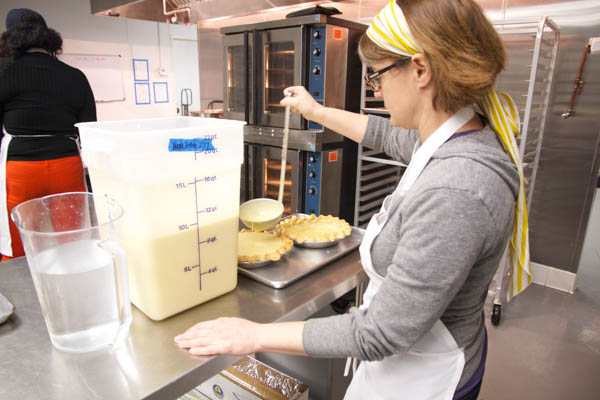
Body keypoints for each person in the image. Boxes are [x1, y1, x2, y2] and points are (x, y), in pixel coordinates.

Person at [175, 1, 530, 399]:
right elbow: (385, 135)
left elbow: (381, 332)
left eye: (377, 76)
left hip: (426, 376)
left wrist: (255, 335)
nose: (376, 90)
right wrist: (314, 111)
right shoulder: (450, 137)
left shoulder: (457, 188)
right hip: (407, 361)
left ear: (420, 70)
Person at [0, 8, 96, 261]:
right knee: (72, 239)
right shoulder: (75, 75)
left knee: (18, 240)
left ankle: (18, 282)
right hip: (66, 164)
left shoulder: (4, 72)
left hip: (20, 168)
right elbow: (88, 126)